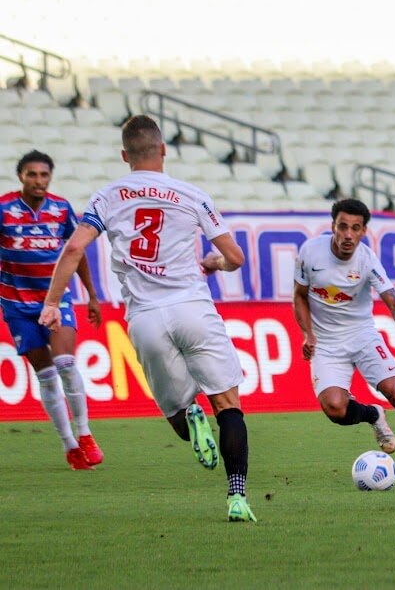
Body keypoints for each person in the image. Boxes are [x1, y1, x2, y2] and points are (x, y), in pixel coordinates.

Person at [39, 115, 256, 521]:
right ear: (164, 150)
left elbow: (72, 250)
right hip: (192, 307)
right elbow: (236, 257)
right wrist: (215, 263)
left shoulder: (107, 197)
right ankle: (237, 496)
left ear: (125, 155)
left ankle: (190, 415)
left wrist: (52, 303)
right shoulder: (192, 194)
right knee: (228, 405)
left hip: (145, 318)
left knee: (176, 412)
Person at [292, 198, 395, 476]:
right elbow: (298, 296)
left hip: (362, 336)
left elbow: (392, 299)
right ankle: (373, 415)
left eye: (355, 228)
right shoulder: (310, 253)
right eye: (342, 226)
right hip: (327, 343)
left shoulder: (366, 259)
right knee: (334, 408)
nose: (348, 234)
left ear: (363, 231)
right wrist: (307, 334)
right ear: (333, 226)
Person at [1, 150, 104, 470]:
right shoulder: (3, 209)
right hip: (17, 304)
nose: (39, 181)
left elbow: (77, 253)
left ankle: (85, 434)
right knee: (45, 374)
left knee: (66, 362)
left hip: (55, 300)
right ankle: (69, 445)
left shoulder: (61, 210)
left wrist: (91, 295)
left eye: (44, 175)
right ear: (21, 177)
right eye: (32, 175)